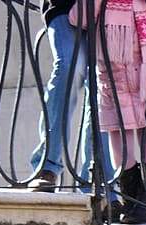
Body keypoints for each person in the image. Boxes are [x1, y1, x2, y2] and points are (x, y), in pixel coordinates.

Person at [71, 0, 146, 224]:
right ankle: (131, 202)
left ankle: (145, 203)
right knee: (119, 140)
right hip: (114, 78)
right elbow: (78, 19)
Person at [29, 0, 114, 198]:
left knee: (101, 82)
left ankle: (97, 178)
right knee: (69, 66)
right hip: (63, 7)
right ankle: (47, 166)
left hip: (108, 10)